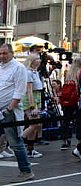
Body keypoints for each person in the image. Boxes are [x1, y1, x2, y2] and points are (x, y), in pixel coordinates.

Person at [0, 43, 35, 182]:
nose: (2, 56)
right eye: (0, 53)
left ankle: (26, 171)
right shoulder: (1, 67)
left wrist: (8, 109)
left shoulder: (19, 68)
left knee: (15, 142)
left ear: (12, 53)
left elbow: (19, 92)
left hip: (10, 111)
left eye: (4, 53)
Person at [60, 57, 81, 151]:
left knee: (66, 119)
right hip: (77, 98)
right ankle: (80, 141)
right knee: (80, 120)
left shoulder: (68, 73)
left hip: (67, 99)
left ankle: (65, 140)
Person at [22, 55, 43, 158]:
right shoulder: (29, 73)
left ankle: (30, 149)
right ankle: (19, 140)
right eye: (37, 59)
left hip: (37, 98)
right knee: (35, 124)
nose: (39, 61)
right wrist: (32, 106)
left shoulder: (35, 72)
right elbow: (29, 91)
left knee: (35, 125)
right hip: (31, 99)